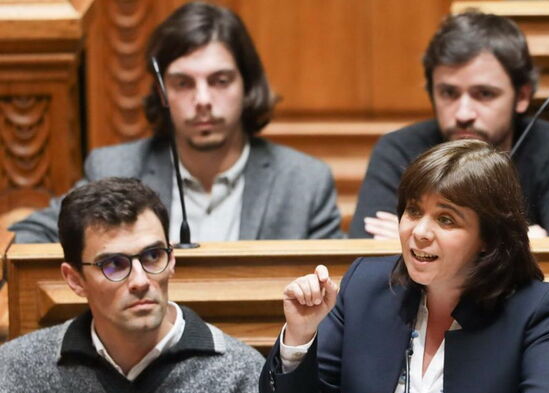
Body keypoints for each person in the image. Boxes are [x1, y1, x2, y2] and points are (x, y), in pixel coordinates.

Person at [261, 139, 549, 393]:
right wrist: (301, 335)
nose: (420, 232)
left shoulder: (535, 309)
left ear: (488, 238)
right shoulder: (366, 289)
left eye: (446, 219)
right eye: (413, 211)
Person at [0, 177, 300, 393]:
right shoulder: (13, 373)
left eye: (153, 256)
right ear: (75, 280)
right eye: (114, 264)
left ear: (172, 260)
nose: (141, 281)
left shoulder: (242, 379)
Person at [10, 1, 340, 244]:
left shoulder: (304, 181)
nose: (203, 100)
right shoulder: (117, 167)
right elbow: (30, 236)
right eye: (183, 83)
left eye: (220, 80)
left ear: (248, 85)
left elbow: (338, 291)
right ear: (161, 91)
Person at [350, 10, 549, 239]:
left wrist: (416, 241)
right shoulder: (399, 149)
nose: (463, 113)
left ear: (522, 96)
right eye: (448, 93)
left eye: (484, 94)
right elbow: (367, 253)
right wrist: (516, 243)